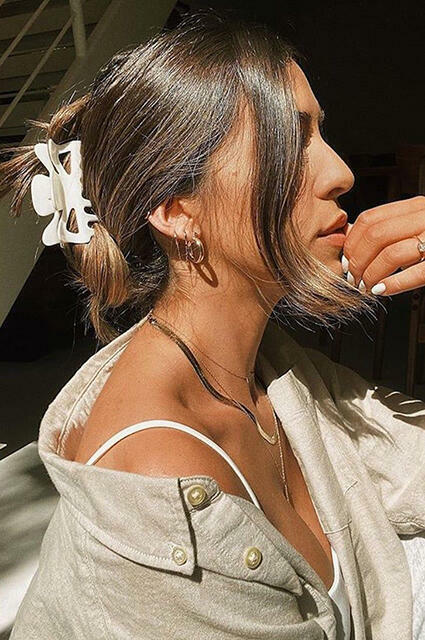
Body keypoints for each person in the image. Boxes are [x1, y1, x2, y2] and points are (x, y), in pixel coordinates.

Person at [3, 8, 425, 640]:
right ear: (177, 210)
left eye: (321, 133)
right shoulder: (162, 497)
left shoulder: (271, 373)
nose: (341, 173)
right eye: (290, 140)